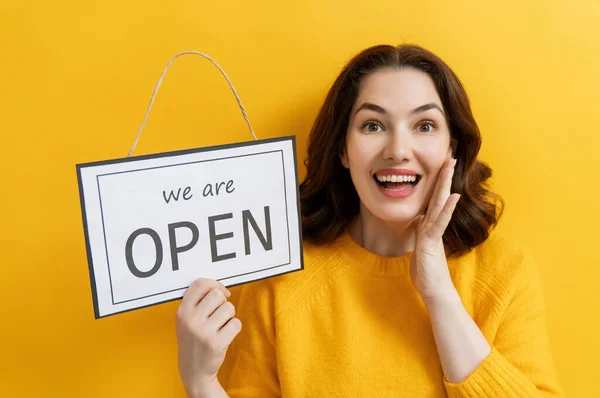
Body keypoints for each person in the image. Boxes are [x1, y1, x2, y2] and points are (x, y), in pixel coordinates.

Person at [174, 44, 563, 397]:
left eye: (424, 126)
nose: (397, 150)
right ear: (343, 149)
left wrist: (439, 295)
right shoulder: (281, 280)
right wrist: (201, 382)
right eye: (373, 126)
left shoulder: (505, 273)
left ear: (452, 146)